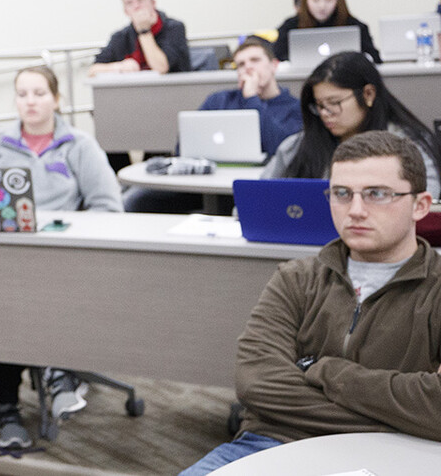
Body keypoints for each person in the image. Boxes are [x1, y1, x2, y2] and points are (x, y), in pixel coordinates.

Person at [180, 131, 440, 475]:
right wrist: (402, 416)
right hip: (272, 442)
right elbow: (258, 384)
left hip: (397, 456)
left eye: (377, 194)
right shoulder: (296, 278)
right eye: (342, 194)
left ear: (420, 205)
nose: (356, 210)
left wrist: (328, 371)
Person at [0, 66, 123, 448]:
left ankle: (54, 372)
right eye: (22, 94)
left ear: (56, 98)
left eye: (39, 93)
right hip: (6, 256)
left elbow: (109, 208)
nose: (30, 101)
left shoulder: (80, 145)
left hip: (62, 257)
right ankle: (15, 404)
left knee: (26, 299)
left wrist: (68, 231)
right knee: (4, 301)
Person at [124, 36, 303, 213]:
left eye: (255, 60)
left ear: (274, 65)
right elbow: (184, 146)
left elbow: (279, 148)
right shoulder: (219, 100)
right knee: (135, 200)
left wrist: (252, 99)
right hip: (203, 184)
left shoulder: (293, 107)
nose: (248, 67)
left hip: (257, 188)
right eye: (240, 64)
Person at [262, 51, 440, 196]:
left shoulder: (407, 145)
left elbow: (425, 201)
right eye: (320, 106)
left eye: (334, 103)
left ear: (368, 94)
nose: (325, 114)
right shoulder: (299, 145)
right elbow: (258, 195)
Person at [271, 0, 381, 63]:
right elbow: (275, 57)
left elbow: (374, 58)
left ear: (338, 0)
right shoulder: (291, 26)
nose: (322, 6)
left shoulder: (354, 26)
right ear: (306, 0)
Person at [88, 0, 191, 77]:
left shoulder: (174, 28)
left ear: (153, 3)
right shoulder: (121, 36)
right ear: (126, 11)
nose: (136, 6)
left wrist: (144, 30)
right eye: (129, 3)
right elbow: (93, 71)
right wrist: (119, 66)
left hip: (172, 91)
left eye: (140, 0)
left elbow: (160, 68)